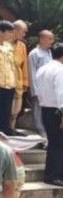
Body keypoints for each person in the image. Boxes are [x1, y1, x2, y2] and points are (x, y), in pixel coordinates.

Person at [36, 43, 63, 187]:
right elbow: (61, 94)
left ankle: (51, 174)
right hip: (57, 110)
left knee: (53, 143)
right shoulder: (60, 71)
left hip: (45, 108)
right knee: (58, 144)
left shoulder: (42, 69)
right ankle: (55, 175)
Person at [28, 30, 54, 139]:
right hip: (39, 89)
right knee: (38, 114)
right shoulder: (34, 53)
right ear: (41, 39)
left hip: (49, 89)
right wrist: (35, 92)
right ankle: (42, 136)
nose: (52, 41)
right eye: (50, 39)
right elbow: (32, 73)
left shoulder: (49, 52)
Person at [9, 20, 29, 135]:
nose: (24, 34)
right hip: (6, 80)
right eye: (23, 31)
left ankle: (12, 128)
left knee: (16, 110)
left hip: (18, 79)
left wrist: (25, 81)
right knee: (7, 109)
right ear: (15, 30)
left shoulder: (22, 45)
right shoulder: (4, 43)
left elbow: (24, 64)